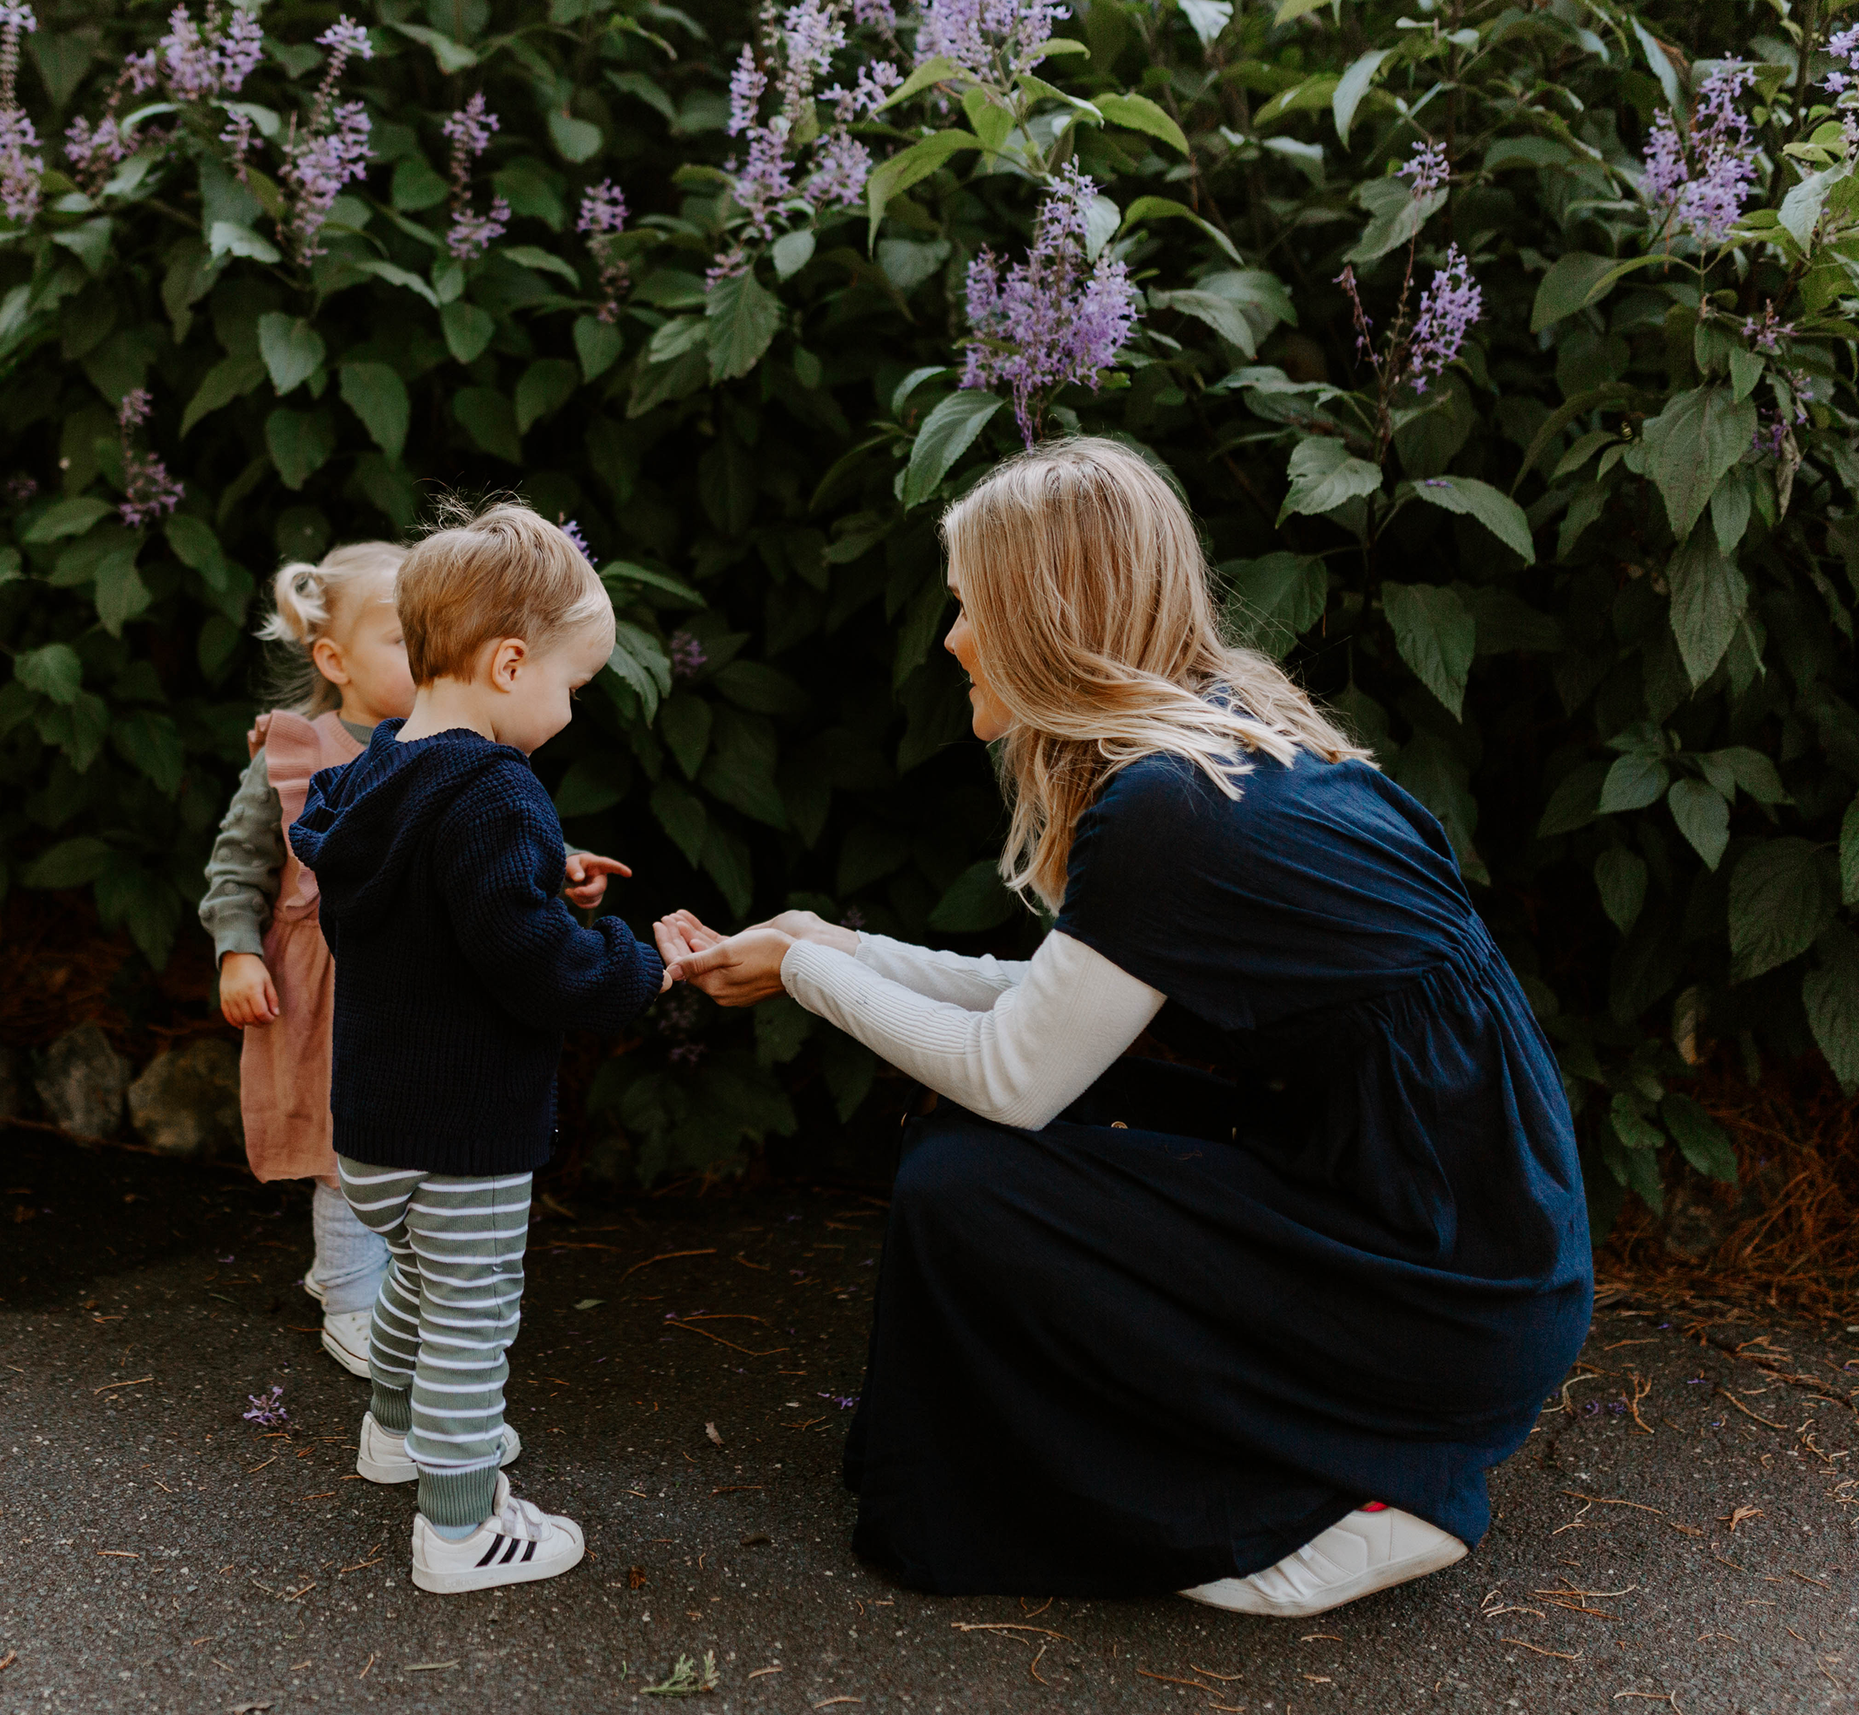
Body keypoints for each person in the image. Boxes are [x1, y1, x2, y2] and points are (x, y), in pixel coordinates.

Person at [656, 437, 1592, 1616]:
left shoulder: (1169, 804)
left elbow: (1013, 1075)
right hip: (1438, 1231)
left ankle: (1362, 1486)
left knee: (973, 1184)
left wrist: (803, 973)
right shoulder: (1223, 738)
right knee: (967, 1157)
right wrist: (838, 950)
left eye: (968, 607)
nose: (949, 640)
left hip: (1434, 1285)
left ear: (1046, 615)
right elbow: (1057, 1013)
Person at [289, 500, 665, 1596]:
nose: (568, 707)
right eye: (570, 685)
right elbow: (538, 967)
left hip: (375, 1123)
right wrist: (642, 965)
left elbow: (442, 898)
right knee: (471, 1313)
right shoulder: (496, 788)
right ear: (509, 661)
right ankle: (456, 1529)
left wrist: (538, 868)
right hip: (463, 1127)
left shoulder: (375, 774)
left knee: (420, 1276)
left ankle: (394, 1432)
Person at [200, 542, 629, 1385]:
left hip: (408, 984)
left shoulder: (443, 751)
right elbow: (237, 864)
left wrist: (557, 863)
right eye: (403, 640)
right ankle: (350, 1300)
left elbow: (477, 854)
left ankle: (390, 1291)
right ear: (334, 661)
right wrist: (237, 952)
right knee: (339, 1144)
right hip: (322, 987)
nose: (427, 654)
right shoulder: (297, 750)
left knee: (394, 1148)